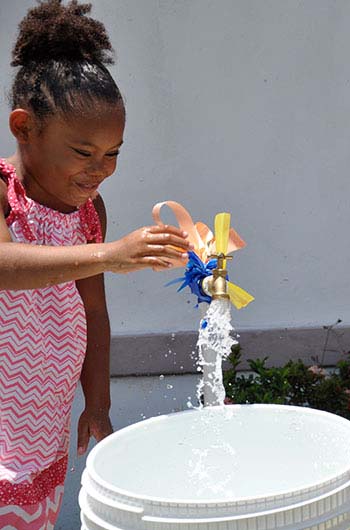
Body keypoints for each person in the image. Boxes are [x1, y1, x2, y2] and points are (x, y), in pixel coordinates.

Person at [0, 1, 192, 526]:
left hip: (42, 418)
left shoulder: (88, 212)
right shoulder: (3, 193)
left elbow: (95, 315)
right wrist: (110, 255)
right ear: (24, 127)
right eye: (84, 152)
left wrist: (99, 404)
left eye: (113, 154)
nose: (99, 170)